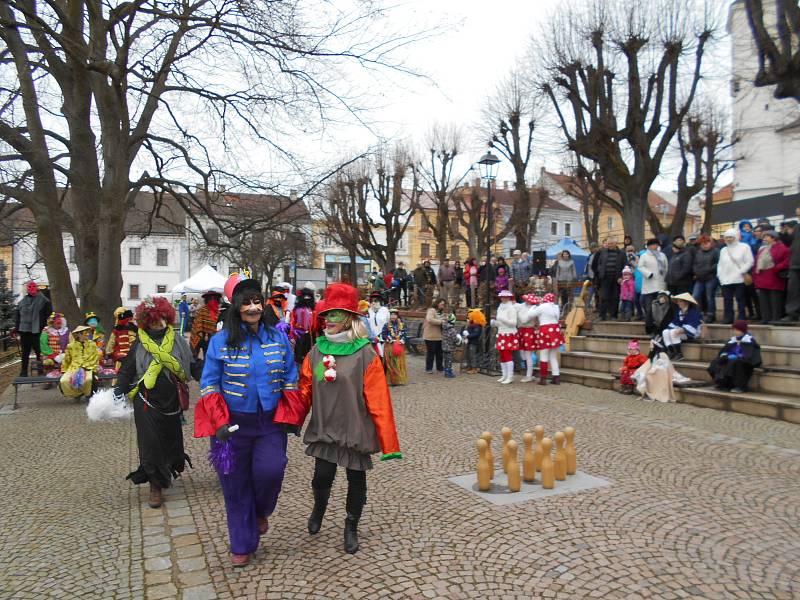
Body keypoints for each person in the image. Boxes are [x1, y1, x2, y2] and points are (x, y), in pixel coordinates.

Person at [274, 282, 401, 555]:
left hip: (355, 430)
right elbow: (305, 390)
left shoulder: (365, 354)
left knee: (356, 480)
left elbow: (380, 402)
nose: (328, 320)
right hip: (326, 428)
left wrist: (389, 444)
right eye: (326, 314)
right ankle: (319, 508)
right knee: (321, 478)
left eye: (335, 314)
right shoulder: (317, 352)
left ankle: (351, 526)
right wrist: (292, 419)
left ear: (348, 319)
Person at [195, 276, 298, 567]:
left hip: (269, 423)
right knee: (235, 485)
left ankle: (260, 512)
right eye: (246, 303)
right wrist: (218, 422)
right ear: (236, 307)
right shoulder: (219, 341)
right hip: (232, 427)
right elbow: (210, 385)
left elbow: (290, 377)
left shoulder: (278, 338)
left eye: (256, 301)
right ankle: (242, 542)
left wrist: (291, 414)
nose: (252, 308)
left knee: (271, 470)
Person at [114, 297, 192, 509]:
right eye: (153, 321)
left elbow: (191, 366)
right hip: (145, 402)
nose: (157, 324)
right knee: (149, 444)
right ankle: (155, 486)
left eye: (160, 320)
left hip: (171, 402)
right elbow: (127, 370)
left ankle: (166, 470)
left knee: (169, 442)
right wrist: (117, 391)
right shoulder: (139, 343)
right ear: (146, 322)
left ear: (166, 318)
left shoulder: (177, 341)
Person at [707, 320, 762, 393]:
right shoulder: (732, 340)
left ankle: (740, 386)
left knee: (735, 363)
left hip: (743, 362)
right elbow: (724, 351)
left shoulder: (749, 340)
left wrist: (738, 356)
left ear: (742, 330)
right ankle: (723, 384)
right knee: (717, 361)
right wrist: (725, 355)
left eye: (737, 330)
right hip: (731, 358)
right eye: (734, 330)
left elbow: (750, 355)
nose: (735, 332)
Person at [14, 281, 52, 376]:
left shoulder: (43, 300)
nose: (31, 289)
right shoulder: (22, 302)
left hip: (38, 331)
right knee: (25, 353)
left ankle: (41, 370)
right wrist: (16, 328)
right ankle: (23, 371)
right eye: (29, 287)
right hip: (25, 331)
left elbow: (48, 314)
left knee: (40, 352)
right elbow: (18, 316)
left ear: (36, 288)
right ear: (27, 289)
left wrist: (43, 325)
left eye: (33, 287)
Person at [717, 228, 754, 324]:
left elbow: (750, 261)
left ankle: (742, 317)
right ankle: (728, 317)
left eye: (731, 237)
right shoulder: (723, 250)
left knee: (740, 298)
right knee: (727, 300)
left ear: (736, 237)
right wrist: (720, 276)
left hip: (739, 279)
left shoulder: (744, 247)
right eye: (727, 237)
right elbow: (720, 264)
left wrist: (741, 271)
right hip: (725, 279)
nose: (729, 239)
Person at [753, 230, 790, 323]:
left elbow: (787, 260)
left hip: (774, 277)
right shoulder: (762, 249)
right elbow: (756, 263)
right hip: (762, 277)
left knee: (775, 300)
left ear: (773, 238)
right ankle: (765, 318)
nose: (764, 239)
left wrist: (776, 268)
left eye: (766, 237)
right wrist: (755, 275)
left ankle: (775, 318)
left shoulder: (782, 248)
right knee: (764, 301)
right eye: (764, 237)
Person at [527, 293, 564, 385]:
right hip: (555, 331)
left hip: (545, 330)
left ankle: (543, 378)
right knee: (553, 356)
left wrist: (534, 306)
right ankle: (556, 377)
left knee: (544, 355)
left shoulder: (542, 307)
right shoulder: (556, 307)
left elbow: (530, 314)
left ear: (544, 299)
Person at [59, 324, 100, 399]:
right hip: (73, 368)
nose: (87, 334)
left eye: (88, 332)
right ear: (79, 334)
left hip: (88, 367)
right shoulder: (70, 346)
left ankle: (88, 394)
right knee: (63, 381)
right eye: (85, 333)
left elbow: (95, 358)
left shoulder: (92, 344)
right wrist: (64, 370)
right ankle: (76, 394)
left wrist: (92, 368)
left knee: (89, 379)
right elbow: (66, 359)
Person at [659, 293, 703, 361]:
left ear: (686, 302)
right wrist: (675, 329)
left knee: (673, 332)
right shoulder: (679, 312)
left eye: (680, 301)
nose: (678, 303)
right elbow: (674, 323)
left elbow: (693, 325)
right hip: (681, 332)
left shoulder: (693, 312)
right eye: (678, 301)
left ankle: (679, 354)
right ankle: (672, 352)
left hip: (692, 333)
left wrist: (683, 329)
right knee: (665, 332)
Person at [592, 238, 626, 320]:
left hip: (617, 279)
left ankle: (614, 316)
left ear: (616, 243)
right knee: (604, 297)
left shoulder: (622, 253)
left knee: (615, 297)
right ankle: (602, 316)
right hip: (605, 278)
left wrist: (621, 277)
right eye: (608, 243)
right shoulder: (601, 252)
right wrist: (599, 273)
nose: (609, 245)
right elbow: (595, 265)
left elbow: (625, 266)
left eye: (611, 243)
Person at [691, 235, 720, 323]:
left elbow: (717, 264)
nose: (705, 245)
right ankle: (698, 314)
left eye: (707, 243)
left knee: (709, 296)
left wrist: (707, 270)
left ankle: (711, 314)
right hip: (700, 278)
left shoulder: (715, 251)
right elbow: (694, 264)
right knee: (695, 296)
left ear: (710, 243)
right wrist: (696, 272)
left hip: (711, 277)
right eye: (703, 244)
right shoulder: (698, 252)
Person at [493, 290, 519, 384]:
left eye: (505, 297)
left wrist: (503, 320)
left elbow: (514, 323)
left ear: (509, 298)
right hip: (501, 332)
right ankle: (504, 375)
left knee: (507, 355)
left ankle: (510, 376)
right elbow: (500, 322)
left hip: (509, 333)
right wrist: (495, 323)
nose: (503, 298)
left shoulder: (511, 308)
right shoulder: (500, 307)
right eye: (502, 297)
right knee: (502, 355)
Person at [190, 290, 222, 359]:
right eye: (210, 298)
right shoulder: (202, 310)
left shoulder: (218, 312)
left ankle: (206, 368)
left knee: (208, 356)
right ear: (207, 300)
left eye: (214, 299)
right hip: (198, 336)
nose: (212, 300)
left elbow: (219, 325)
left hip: (211, 337)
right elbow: (198, 323)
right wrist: (201, 333)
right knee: (194, 357)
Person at [516, 294, 540, 382]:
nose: (527, 301)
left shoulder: (534, 309)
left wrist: (518, 312)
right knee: (522, 354)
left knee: (528, 354)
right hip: (521, 331)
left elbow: (524, 320)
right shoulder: (522, 306)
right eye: (526, 299)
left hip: (529, 331)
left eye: (529, 300)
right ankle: (530, 373)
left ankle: (529, 375)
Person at [381, 309, 408, 386]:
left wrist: (402, 339)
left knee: (398, 363)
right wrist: (389, 339)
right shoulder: (386, 325)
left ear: (397, 316)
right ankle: (391, 380)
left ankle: (399, 379)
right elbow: (383, 335)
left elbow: (404, 334)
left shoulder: (402, 324)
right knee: (391, 363)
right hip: (390, 346)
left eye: (394, 315)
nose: (393, 316)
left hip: (399, 346)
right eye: (391, 315)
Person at [780, 221, 800, 322]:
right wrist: (784, 233)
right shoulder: (797, 227)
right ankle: (792, 314)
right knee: (793, 291)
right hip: (795, 264)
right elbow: (788, 243)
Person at [291, 286, 316, 364]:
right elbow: (293, 322)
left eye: (308, 296)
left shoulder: (314, 309)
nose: (306, 298)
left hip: (312, 334)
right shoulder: (296, 310)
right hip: (300, 335)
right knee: (300, 355)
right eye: (305, 296)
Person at [40, 312, 70, 377]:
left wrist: (65, 353)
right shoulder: (46, 330)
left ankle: (64, 379)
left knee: (68, 360)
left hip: (63, 354)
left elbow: (70, 343)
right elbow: (43, 344)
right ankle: (48, 380)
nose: (59, 325)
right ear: (52, 323)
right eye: (57, 323)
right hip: (49, 354)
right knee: (48, 362)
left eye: (60, 323)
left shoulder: (66, 331)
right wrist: (53, 355)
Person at [423, 298, 446, 374]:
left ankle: (440, 367)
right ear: (437, 303)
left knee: (439, 353)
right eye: (441, 304)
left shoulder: (441, 312)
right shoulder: (431, 310)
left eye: (443, 304)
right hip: (430, 336)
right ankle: (428, 368)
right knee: (431, 353)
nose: (443, 306)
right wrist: (441, 322)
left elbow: (444, 320)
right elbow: (430, 319)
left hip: (439, 336)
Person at [366, 292, 390, 357]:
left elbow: (388, 323)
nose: (373, 303)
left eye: (376, 301)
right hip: (371, 337)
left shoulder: (385, 310)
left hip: (383, 336)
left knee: (383, 355)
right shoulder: (368, 311)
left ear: (380, 301)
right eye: (372, 301)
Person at [462, 308, 485, 374]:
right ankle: (469, 366)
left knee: (472, 355)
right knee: (468, 355)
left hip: (473, 342)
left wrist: (468, 336)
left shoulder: (478, 325)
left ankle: (474, 368)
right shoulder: (470, 324)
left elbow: (476, 334)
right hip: (469, 342)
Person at [441, 312, 459, 378]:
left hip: (444, 346)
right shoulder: (452, 330)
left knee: (446, 359)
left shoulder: (444, 328)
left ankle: (446, 370)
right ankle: (448, 372)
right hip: (450, 347)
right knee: (449, 360)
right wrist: (459, 340)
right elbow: (455, 339)